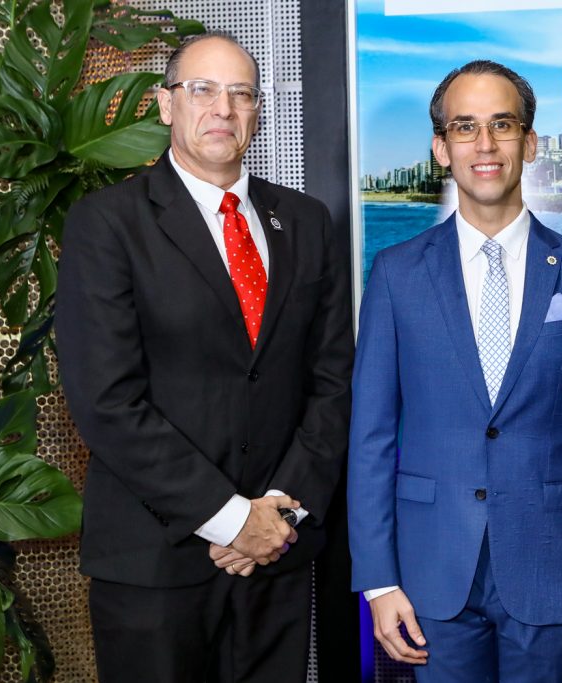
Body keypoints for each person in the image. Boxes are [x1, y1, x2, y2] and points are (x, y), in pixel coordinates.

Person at [55, 33, 353, 683]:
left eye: (241, 93)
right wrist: (231, 517)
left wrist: (276, 512)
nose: (223, 107)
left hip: (278, 551)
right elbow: (107, 401)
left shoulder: (303, 220)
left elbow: (333, 381)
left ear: (256, 112)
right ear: (165, 105)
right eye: (203, 89)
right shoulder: (106, 225)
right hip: (154, 567)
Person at [348, 60, 562, 682]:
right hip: (429, 573)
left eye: (502, 125)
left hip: (550, 569)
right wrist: (378, 581)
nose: (485, 145)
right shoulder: (397, 275)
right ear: (440, 148)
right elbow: (370, 436)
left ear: (529, 143)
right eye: (465, 127)